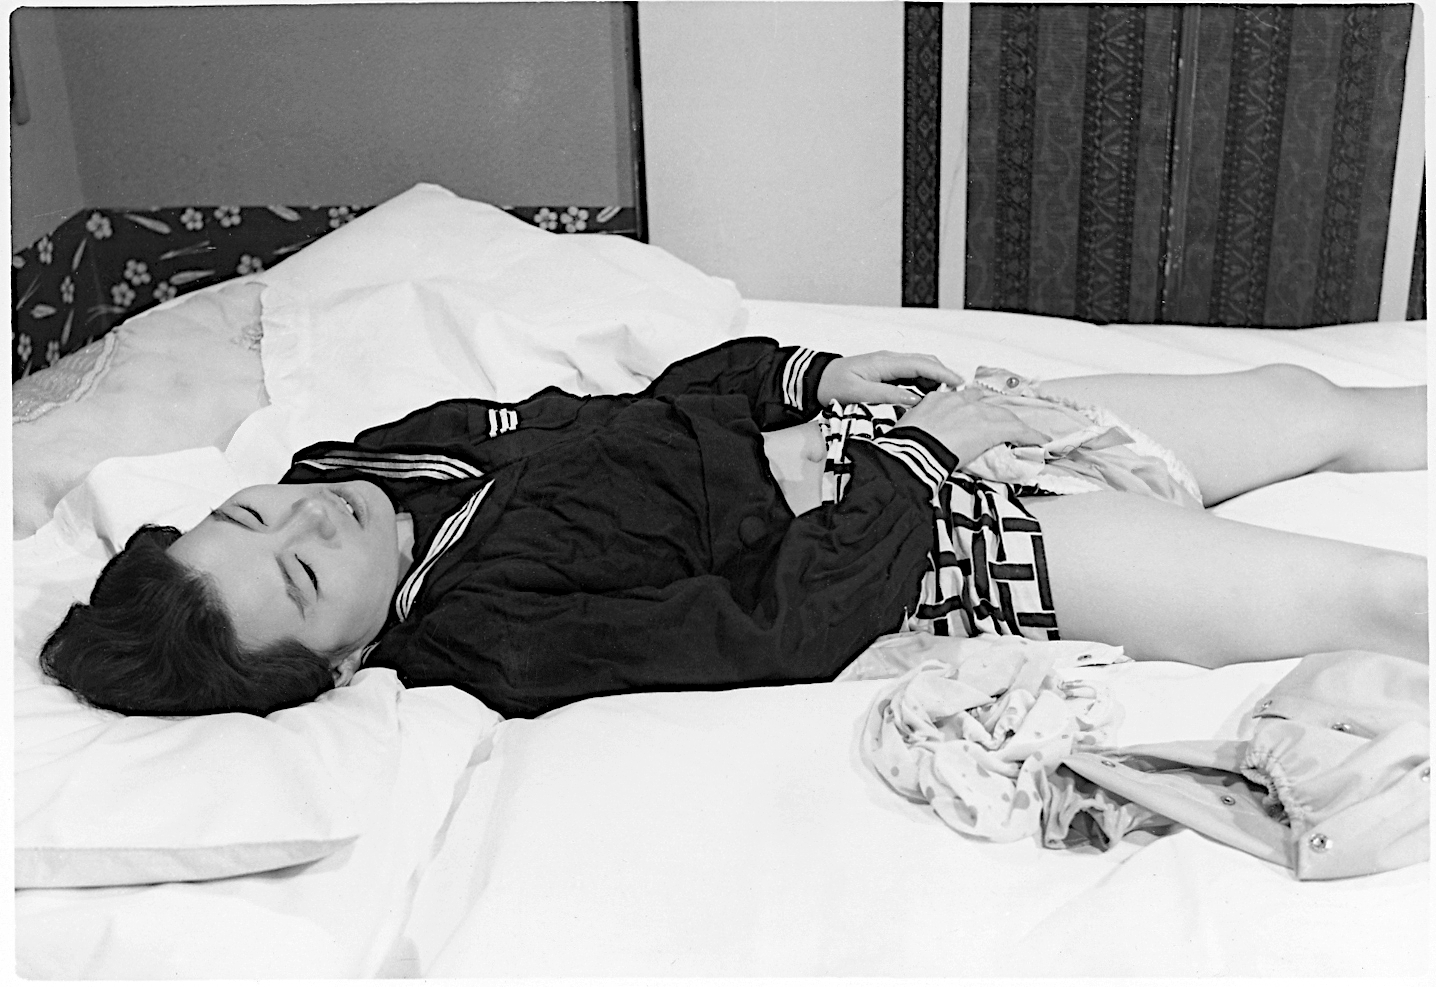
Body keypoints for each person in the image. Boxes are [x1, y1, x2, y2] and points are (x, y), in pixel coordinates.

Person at [40, 338, 1427, 719]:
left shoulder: (374, 460)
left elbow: (623, 416)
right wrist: (922, 466)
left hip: (900, 432)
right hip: (921, 543)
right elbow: (776, 629)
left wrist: (803, 378)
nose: (311, 512)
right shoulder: (490, 637)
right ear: (335, 663)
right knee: (1378, 599)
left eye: (253, 510)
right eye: (300, 567)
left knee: (1305, 403)